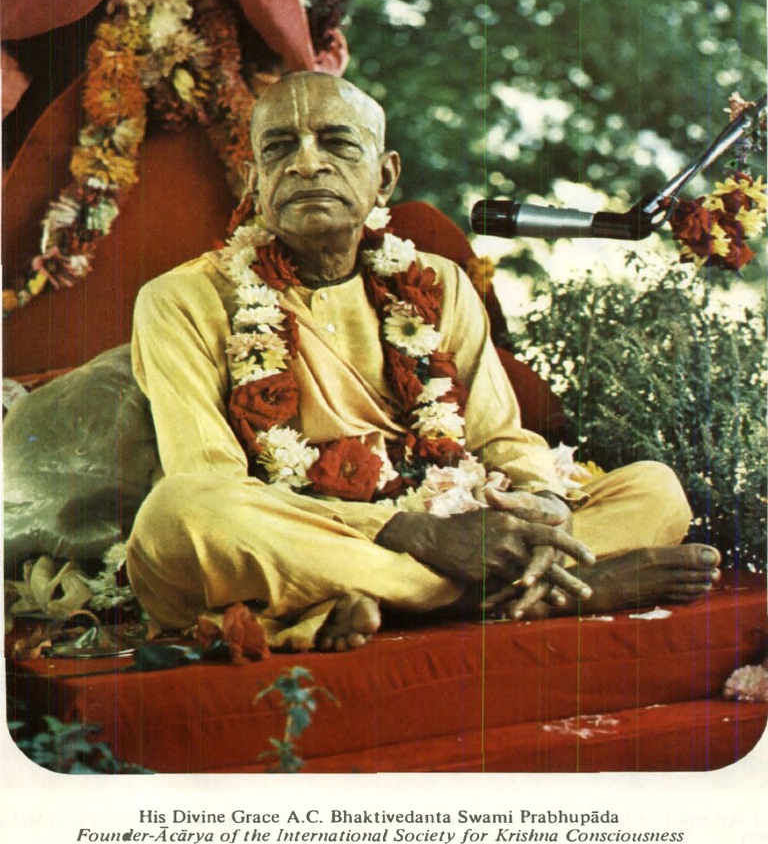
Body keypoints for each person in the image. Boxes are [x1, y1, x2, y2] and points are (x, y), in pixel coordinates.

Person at [126, 71, 721, 652]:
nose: (306, 164)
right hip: (312, 528)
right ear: (253, 181)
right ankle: (518, 593)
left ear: (385, 176)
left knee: (655, 488)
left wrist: (541, 503)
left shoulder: (439, 283)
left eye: (337, 142)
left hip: (452, 514)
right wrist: (418, 535)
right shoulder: (181, 299)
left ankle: (373, 596)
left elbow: (497, 438)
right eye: (280, 147)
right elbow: (211, 478)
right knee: (182, 515)